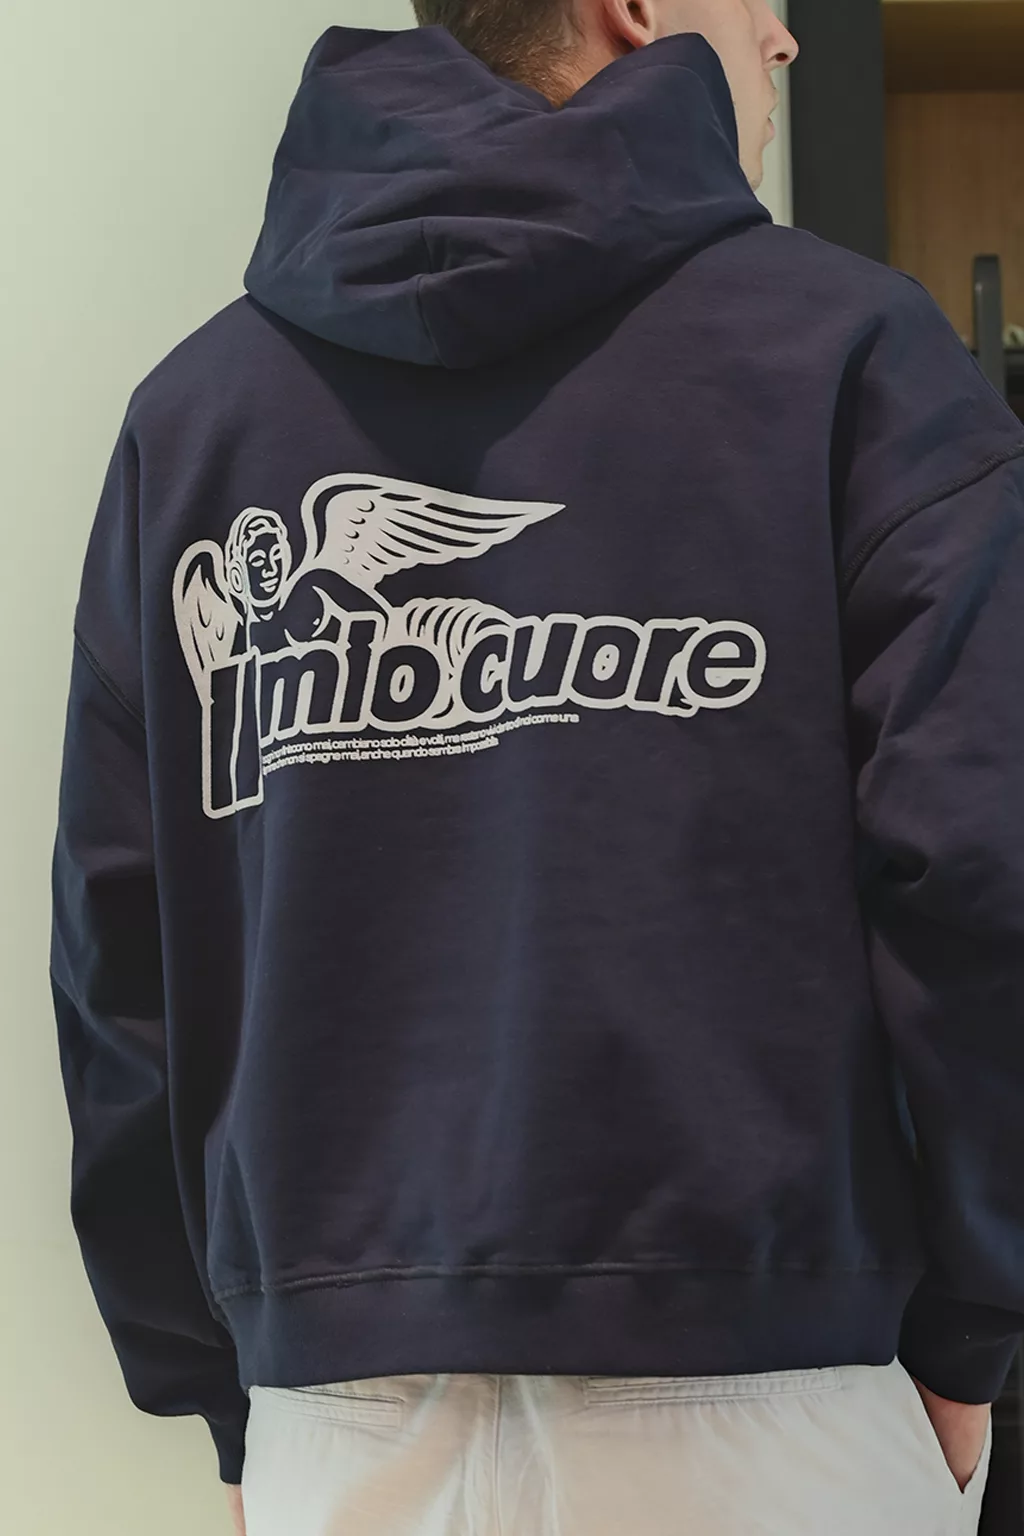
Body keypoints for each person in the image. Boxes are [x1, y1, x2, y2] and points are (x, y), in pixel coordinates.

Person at [48, 0, 1024, 1532]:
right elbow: (984, 871)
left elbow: (121, 965)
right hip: (775, 1402)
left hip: (343, 1427)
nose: (784, 43)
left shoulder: (195, 419)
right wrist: (976, 1328)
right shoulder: (854, 353)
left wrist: (232, 1399)